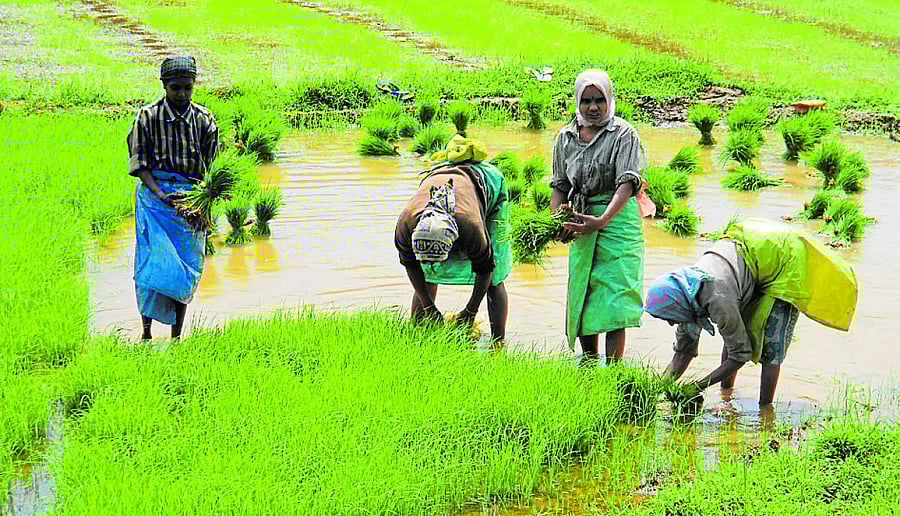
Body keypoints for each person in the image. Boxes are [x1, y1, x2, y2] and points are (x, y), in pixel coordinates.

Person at [644, 217, 858, 407]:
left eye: (669, 318)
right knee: (734, 335)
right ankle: (726, 396)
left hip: (784, 261)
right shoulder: (685, 292)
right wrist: (654, 392)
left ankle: (765, 411)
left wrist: (698, 386)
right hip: (752, 253)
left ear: (676, 305)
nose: (672, 324)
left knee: (771, 345)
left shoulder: (716, 297)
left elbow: (740, 355)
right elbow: (683, 352)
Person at [550, 69, 650, 364]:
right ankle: (590, 362)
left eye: (599, 101)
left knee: (616, 294)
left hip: (617, 220)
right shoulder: (566, 137)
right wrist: (556, 220)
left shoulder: (624, 134)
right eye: (586, 101)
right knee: (586, 290)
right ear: (577, 103)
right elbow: (560, 185)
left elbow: (627, 183)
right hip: (582, 217)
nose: (593, 107)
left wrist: (602, 220)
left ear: (610, 100)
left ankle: (615, 367)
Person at [128, 56, 219, 340]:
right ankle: (146, 334)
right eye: (175, 88)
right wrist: (161, 194)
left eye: (187, 88)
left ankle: (177, 336)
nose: (182, 94)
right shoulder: (147, 117)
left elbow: (212, 169)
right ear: (164, 86)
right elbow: (139, 163)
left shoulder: (204, 120)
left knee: (185, 268)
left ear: (194, 86)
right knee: (151, 267)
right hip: (155, 201)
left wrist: (202, 203)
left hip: (189, 203)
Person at [395, 135, 511, 344]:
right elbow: (412, 265)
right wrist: (429, 306)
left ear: (455, 240)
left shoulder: (470, 227)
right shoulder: (406, 225)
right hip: (439, 176)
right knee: (428, 274)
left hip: (486, 187)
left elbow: (486, 269)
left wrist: (470, 311)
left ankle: (498, 344)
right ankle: (417, 336)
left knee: (495, 280)